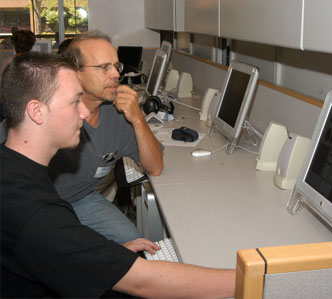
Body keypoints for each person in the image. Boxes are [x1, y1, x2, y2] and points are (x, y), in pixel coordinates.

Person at [0, 51, 235, 298]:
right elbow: (144, 283)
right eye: (74, 102)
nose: (83, 113)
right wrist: (253, 279)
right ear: (37, 112)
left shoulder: (14, 168)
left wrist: (100, 252)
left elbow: (49, 247)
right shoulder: (38, 214)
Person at [49, 31, 164, 244]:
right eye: (104, 67)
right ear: (75, 72)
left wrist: (138, 118)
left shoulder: (117, 114)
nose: (115, 75)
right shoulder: (47, 111)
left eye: (116, 66)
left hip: (80, 198)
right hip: (40, 201)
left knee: (132, 239)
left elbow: (155, 166)